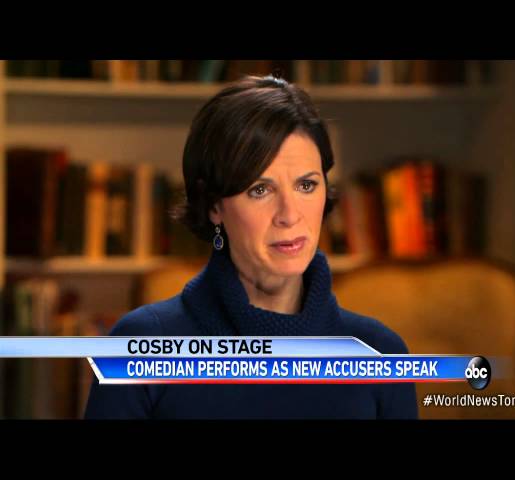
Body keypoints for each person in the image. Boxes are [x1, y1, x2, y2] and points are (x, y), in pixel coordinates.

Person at [84, 74, 418, 419]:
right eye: (260, 190)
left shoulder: (382, 354)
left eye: (306, 185)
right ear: (214, 205)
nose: (290, 215)